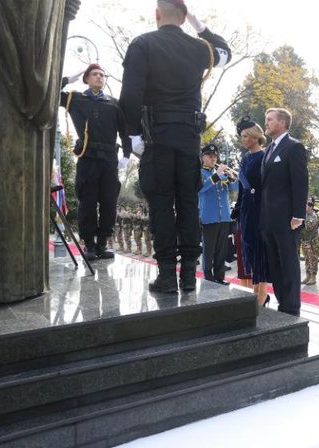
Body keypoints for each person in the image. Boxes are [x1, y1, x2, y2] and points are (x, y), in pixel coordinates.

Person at [119, 0, 232, 293]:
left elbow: (130, 96)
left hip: (156, 139)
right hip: (188, 140)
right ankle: (188, 276)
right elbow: (224, 53)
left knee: (161, 206)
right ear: (184, 17)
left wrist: (132, 138)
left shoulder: (142, 44)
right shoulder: (198, 48)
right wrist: (199, 24)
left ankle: (168, 275)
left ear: (157, 15)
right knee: (187, 204)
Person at [60, 63, 132, 260]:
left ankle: (102, 244)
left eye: (102, 74)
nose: (100, 77)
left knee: (109, 203)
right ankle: (89, 245)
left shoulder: (113, 103)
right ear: (86, 78)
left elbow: (124, 131)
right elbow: (51, 93)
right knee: (88, 203)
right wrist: (67, 79)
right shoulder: (76, 100)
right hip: (88, 158)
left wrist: (126, 154)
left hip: (109, 159)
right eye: (95, 74)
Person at [260, 108, 309, 316]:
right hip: (268, 220)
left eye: (270, 119)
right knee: (275, 264)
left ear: (282, 123)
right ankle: (282, 304)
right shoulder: (269, 149)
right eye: (266, 119)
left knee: (288, 263)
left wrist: (298, 214)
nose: (267, 123)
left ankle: (291, 307)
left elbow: (300, 182)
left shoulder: (294, 147)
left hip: (288, 220)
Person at [233, 116, 271, 305]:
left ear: (255, 137)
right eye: (241, 136)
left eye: (246, 136)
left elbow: (268, 186)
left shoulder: (264, 156)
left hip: (260, 210)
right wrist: (238, 207)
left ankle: (261, 294)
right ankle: (255, 293)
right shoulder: (245, 158)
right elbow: (242, 187)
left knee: (259, 251)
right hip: (247, 209)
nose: (243, 140)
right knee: (247, 249)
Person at [198, 144, 238, 285]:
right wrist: (216, 176)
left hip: (224, 217)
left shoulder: (220, 173)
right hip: (209, 217)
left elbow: (235, 188)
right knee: (209, 250)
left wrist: (231, 176)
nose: (213, 158)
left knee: (222, 250)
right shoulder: (200, 173)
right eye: (210, 155)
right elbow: (201, 189)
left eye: (215, 156)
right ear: (203, 157)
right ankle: (208, 277)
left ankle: (220, 277)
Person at [300, 201, 319, 285]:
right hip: (305, 241)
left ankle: (313, 277)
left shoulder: (313, 216)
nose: (305, 207)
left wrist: (301, 221)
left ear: (311, 207)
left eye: (306, 206)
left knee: (313, 259)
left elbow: (309, 227)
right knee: (307, 259)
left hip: (312, 242)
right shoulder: (305, 215)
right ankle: (308, 276)